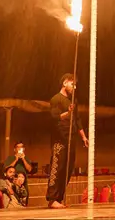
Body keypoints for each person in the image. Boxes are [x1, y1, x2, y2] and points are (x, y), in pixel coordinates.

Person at [47, 73, 88, 209]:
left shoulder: (72, 101)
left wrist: (83, 137)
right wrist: (68, 113)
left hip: (71, 139)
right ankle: (52, 199)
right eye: (72, 84)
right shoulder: (56, 99)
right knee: (57, 168)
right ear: (65, 83)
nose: (74, 87)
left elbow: (77, 120)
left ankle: (59, 198)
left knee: (67, 170)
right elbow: (54, 117)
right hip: (60, 140)